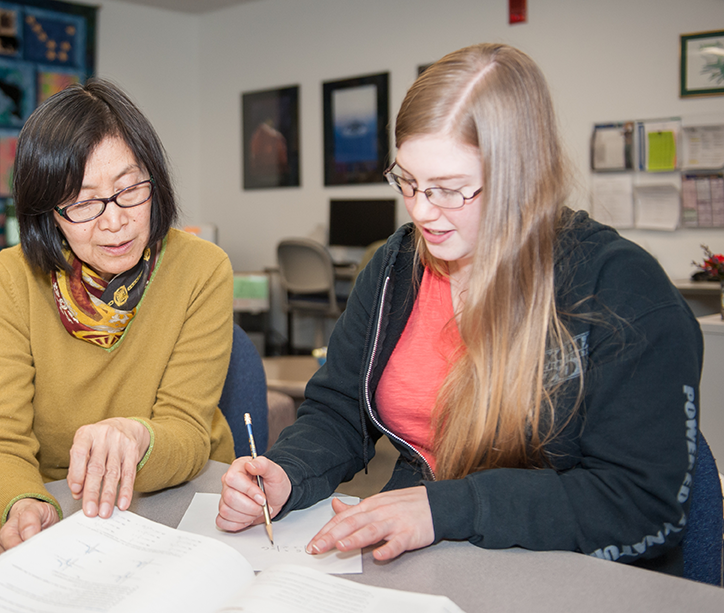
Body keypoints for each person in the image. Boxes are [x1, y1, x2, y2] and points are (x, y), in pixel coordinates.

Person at [217, 43, 702, 577]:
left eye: (449, 190)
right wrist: (289, 471)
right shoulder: (395, 267)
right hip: (428, 555)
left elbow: (638, 503)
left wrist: (445, 507)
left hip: (560, 570)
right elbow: (339, 410)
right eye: (407, 181)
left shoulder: (621, 290)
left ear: (523, 176)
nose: (423, 212)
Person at [0, 79, 236, 551]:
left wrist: (135, 437)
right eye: (84, 202)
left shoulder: (201, 268)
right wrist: (21, 503)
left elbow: (189, 434)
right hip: (65, 506)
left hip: (184, 499)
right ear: (47, 213)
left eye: (130, 189)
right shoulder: (9, 280)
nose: (114, 220)